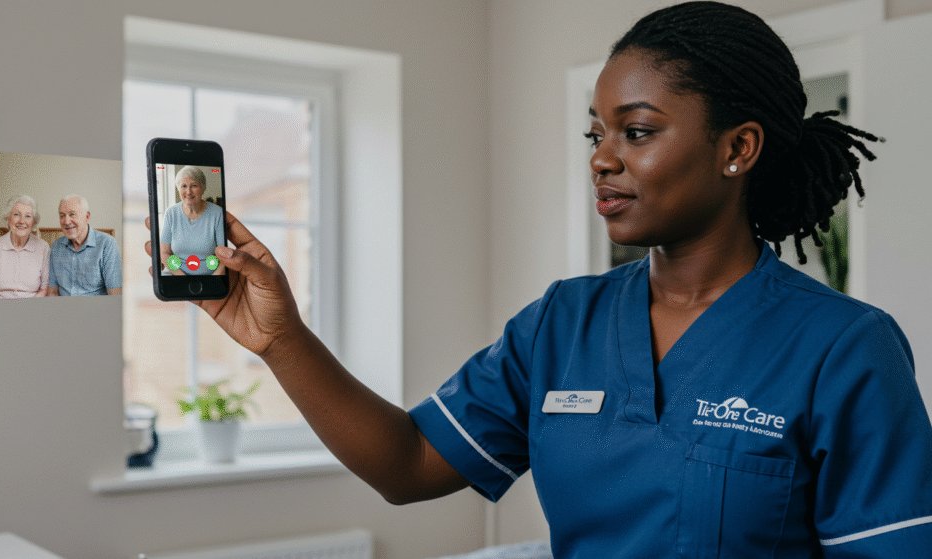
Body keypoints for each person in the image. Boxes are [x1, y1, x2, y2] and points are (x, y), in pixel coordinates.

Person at [147, 2, 932, 556]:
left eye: (638, 130)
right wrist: (281, 339)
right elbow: (409, 463)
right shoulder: (564, 322)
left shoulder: (844, 348)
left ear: (739, 148)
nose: (601, 156)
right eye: (597, 133)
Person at [48, 194, 122, 296]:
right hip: (63, 310)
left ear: (87, 216)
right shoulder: (56, 246)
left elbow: (115, 292)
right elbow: (53, 291)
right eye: (62, 215)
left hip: (96, 310)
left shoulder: (107, 244)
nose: (66, 221)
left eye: (72, 214)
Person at [160, 166, 225, 275]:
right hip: (177, 275)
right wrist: (182, 278)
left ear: (203, 188)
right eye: (184, 186)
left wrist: (214, 280)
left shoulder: (217, 213)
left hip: (210, 276)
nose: (188, 192)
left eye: (194, 186)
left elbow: (224, 256)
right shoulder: (170, 213)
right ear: (178, 188)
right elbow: (164, 254)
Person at [0, 194, 50, 298]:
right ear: (8, 218)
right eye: (16, 215)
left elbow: (44, 288)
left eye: (28, 216)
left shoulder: (43, 247)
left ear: (33, 222)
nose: (22, 221)